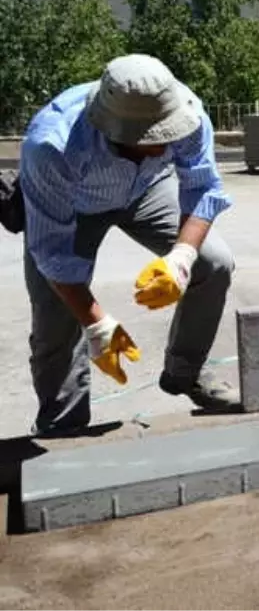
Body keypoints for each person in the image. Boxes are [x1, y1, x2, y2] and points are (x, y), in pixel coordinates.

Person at [19, 54, 238, 437]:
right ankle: (63, 425)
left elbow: (202, 188)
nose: (161, 147)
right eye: (148, 141)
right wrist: (98, 324)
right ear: (110, 129)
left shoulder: (186, 113)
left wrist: (182, 258)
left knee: (214, 263)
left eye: (166, 137)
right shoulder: (52, 145)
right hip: (76, 204)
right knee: (56, 311)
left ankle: (184, 373)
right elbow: (53, 254)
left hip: (148, 189)